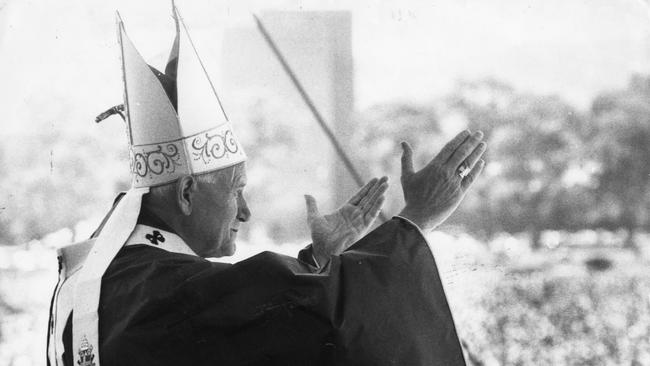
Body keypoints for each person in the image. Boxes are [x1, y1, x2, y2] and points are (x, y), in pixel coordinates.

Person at [47, 5, 487, 366]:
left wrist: (321, 260)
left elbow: (262, 321)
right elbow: (322, 319)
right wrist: (417, 218)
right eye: (236, 189)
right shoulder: (170, 290)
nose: (245, 212)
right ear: (185, 193)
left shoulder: (114, 275)